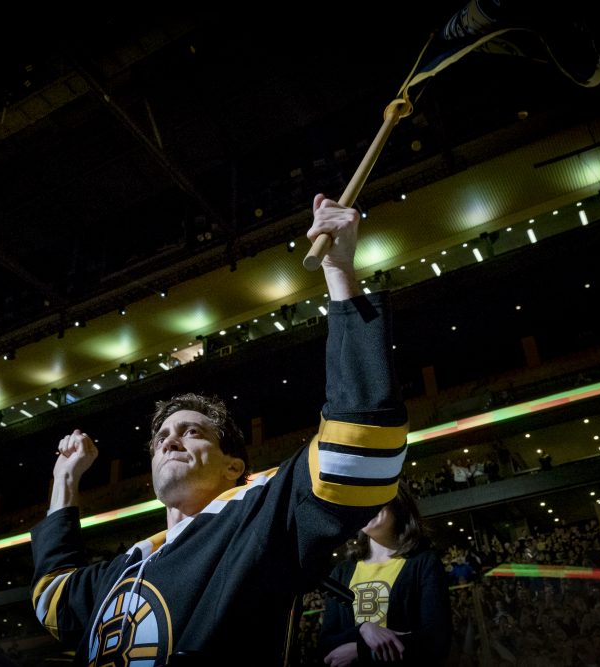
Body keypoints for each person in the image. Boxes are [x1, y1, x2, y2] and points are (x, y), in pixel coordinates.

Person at [29, 193, 410, 666]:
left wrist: (339, 271)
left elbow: (361, 448)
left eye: (191, 431)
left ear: (234, 466)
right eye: (161, 437)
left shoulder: (253, 518)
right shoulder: (126, 566)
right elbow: (53, 599)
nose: (169, 439)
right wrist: (65, 480)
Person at [318, 478, 452, 667]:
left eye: (374, 497)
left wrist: (362, 651)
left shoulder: (424, 563)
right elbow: (326, 645)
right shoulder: (341, 572)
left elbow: (437, 641)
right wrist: (364, 630)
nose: (366, 506)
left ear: (398, 504)